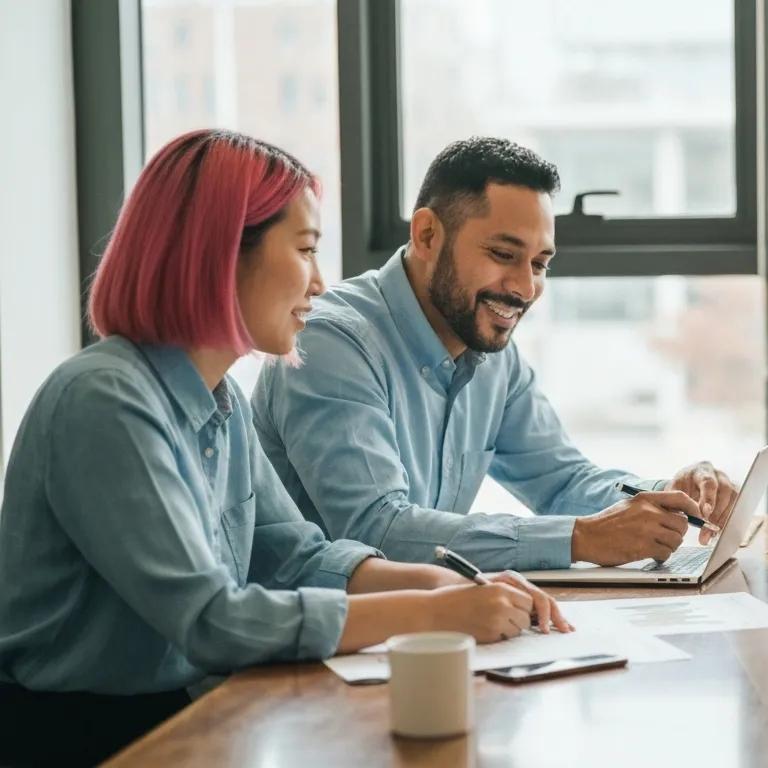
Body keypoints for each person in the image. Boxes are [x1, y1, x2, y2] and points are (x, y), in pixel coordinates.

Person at [0, 130, 568, 766]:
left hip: (195, 714)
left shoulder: (221, 401)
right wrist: (434, 613)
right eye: (305, 251)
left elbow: (299, 558)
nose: (320, 283)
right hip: (85, 738)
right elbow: (212, 621)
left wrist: (447, 583)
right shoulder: (105, 400)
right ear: (220, 255)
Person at [252, 137, 738, 571]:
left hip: (421, 631)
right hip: (312, 650)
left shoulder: (487, 345)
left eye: (540, 263)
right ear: (426, 236)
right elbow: (376, 530)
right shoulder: (331, 342)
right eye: (504, 255)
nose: (525, 287)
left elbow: (561, 480)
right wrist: (581, 539)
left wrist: (667, 498)